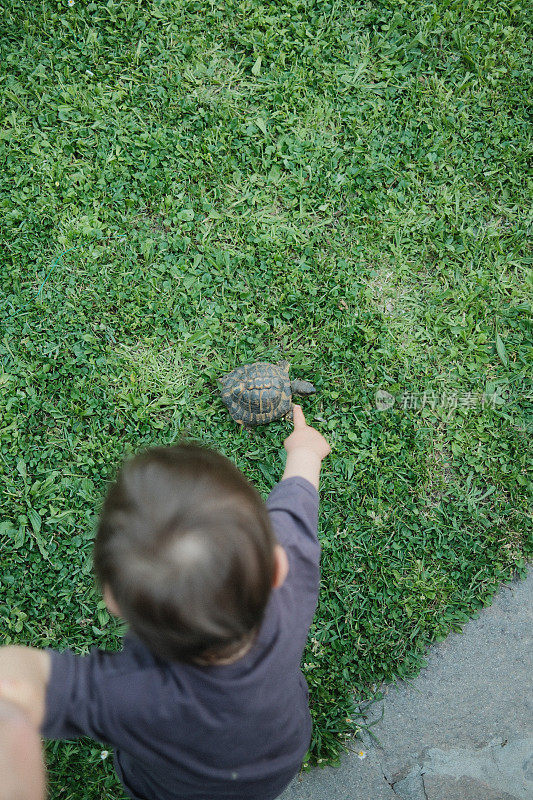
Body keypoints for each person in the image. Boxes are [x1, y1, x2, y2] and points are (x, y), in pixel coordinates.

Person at [0, 404, 331, 800]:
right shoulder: (290, 579)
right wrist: (305, 452)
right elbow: (297, 500)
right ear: (277, 566)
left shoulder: (126, 693)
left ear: (113, 600)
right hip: (278, 761)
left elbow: (20, 680)